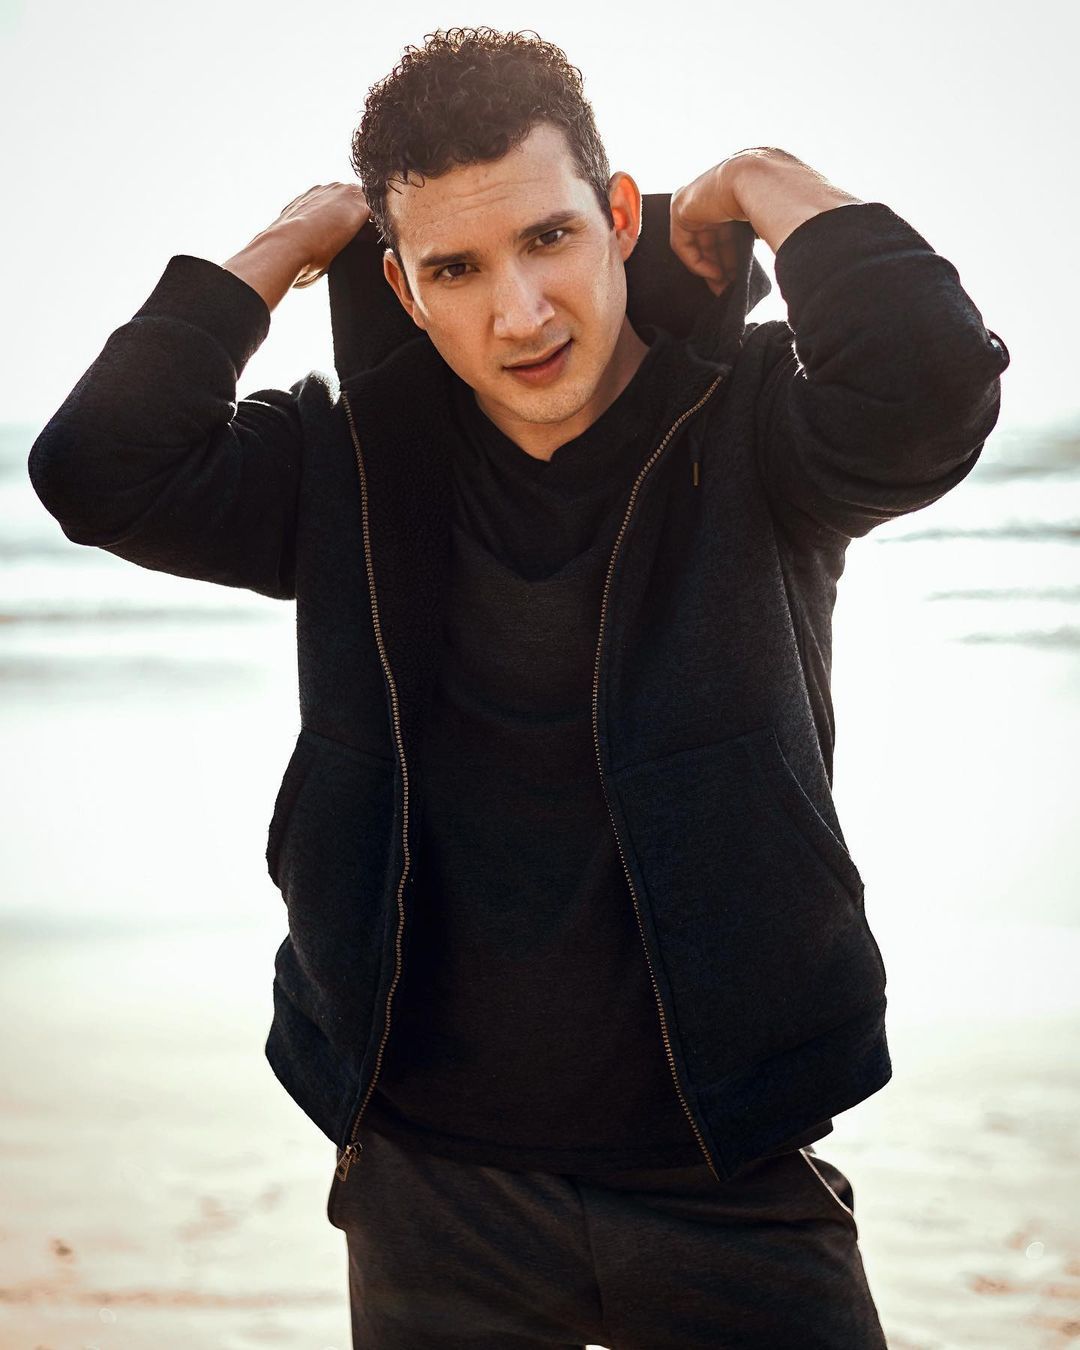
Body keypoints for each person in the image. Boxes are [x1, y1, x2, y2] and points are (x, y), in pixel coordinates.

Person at [27, 24, 1010, 1349]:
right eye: (457, 267)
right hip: (434, 1181)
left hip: (726, 1166)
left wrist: (758, 178)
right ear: (403, 285)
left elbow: (934, 378)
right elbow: (99, 466)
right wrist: (288, 239)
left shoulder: (755, 423)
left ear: (619, 218)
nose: (523, 313)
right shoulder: (341, 462)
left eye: (549, 238)